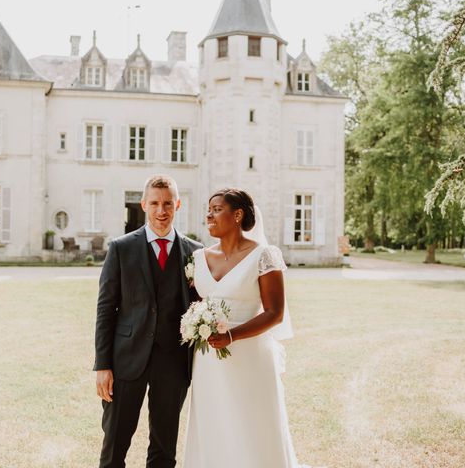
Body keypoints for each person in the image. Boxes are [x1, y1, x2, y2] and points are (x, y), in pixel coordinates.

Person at [183, 188, 306, 468]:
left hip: (250, 355)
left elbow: (275, 313)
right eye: (208, 209)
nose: (209, 215)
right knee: (214, 420)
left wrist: (232, 335)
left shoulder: (264, 255)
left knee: (251, 421)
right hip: (208, 360)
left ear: (237, 215)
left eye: (216, 209)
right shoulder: (199, 257)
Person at [94, 174, 203, 468]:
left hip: (173, 363)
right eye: (154, 203)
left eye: (168, 203)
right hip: (125, 361)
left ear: (178, 204)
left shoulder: (196, 253)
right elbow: (106, 309)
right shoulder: (121, 248)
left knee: (164, 448)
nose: (161, 210)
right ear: (144, 205)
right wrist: (103, 365)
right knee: (115, 445)